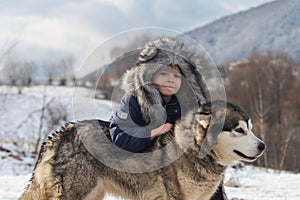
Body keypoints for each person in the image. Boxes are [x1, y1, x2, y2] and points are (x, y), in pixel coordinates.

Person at [109, 36, 227, 200]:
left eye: (177, 76)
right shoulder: (134, 99)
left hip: (182, 170)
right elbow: (120, 138)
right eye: (163, 73)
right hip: (145, 172)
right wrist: (153, 132)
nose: (170, 79)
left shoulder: (191, 104)